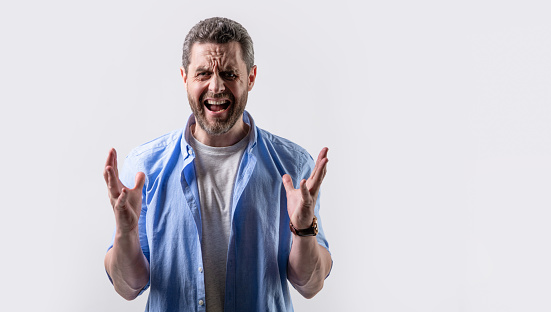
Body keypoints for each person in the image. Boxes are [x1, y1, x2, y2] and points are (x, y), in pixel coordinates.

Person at [103, 17, 332, 312]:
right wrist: (125, 232)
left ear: (250, 77)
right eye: (202, 74)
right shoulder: (144, 168)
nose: (216, 86)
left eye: (229, 73)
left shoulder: (293, 167)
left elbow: (310, 285)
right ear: (184, 77)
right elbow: (128, 287)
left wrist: (303, 230)